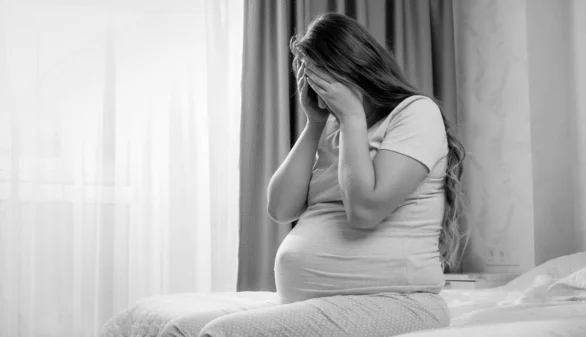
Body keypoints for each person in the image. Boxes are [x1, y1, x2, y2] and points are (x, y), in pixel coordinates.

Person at [164, 12, 466, 337]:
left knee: (219, 334)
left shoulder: (415, 113)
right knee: (179, 329)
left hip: (396, 301)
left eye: (321, 80)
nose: (316, 91)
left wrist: (351, 116)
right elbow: (280, 208)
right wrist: (315, 123)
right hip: (317, 303)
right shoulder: (333, 125)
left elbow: (365, 210)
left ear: (353, 69)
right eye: (308, 80)